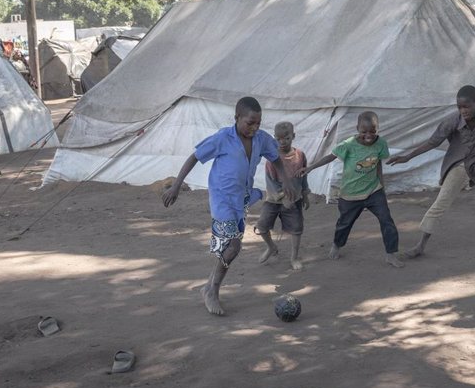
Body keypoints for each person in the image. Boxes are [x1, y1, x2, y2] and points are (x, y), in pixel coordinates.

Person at [162, 97, 294, 316]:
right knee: (233, 246)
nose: (254, 128)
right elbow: (194, 157)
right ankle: (211, 289)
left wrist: (287, 181)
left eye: (258, 123)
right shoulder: (223, 137)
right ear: (237, 118)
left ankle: (210, 285)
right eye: (250, 123)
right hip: (221, 199)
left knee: (231, 247)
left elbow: (276, 158)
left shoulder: (261, 139)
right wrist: (176, 186)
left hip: (241, 200)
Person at [387, 85, 475, 257]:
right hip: (460, 164)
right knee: (441, 203)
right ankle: (420, 246)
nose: (463, 110)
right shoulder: (452, 121)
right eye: (459, 107)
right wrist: (408, 157)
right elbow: (432, 142)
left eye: (467, 106)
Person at [296, 111, 404, 268]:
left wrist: (381, 186)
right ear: (357, 128)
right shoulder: (348, 145)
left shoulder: (381, 144)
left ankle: (391, 254)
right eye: (364, 131)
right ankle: (337, 244)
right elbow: (331, 156)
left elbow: (378, 164)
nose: (368, 135)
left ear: (378, 129)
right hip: (350, 194)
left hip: (374, 191)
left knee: (387, 220)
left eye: (373, 131)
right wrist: (311, 167)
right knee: (345, 223)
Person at [256, 121, 310, 270]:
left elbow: (303, 177)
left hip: (294, 199)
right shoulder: (272, 160)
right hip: (274, 199)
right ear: (274, 138)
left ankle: (294, 257)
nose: (282, 142)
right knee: (262, 225)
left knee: (297, 228)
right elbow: (272, 183)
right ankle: (271, 247)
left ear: (293, 136)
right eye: (278, 139)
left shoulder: (300, 156)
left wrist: (305, 195)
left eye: (286, 138)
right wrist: (283, 199)